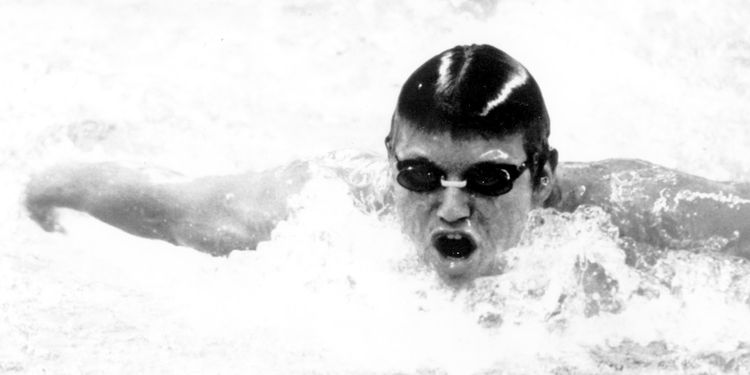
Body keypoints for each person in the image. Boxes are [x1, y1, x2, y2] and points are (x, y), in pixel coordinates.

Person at [24, 44, 750, 286]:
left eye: (490, 178)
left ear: (546, 174)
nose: (453, 207)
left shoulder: (628, 213)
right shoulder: (329, 208)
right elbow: (179, 208)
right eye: (423, 176)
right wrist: (51, 183)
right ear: (391, 162)